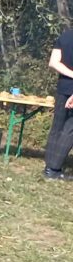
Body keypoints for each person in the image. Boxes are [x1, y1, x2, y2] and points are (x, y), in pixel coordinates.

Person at [43, 28, 73, 180]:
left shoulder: (65, 36)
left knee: (57, 127)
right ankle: (54, 169)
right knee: (70, 130)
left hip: (63, 88)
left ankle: (49, 167)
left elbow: (53, 62)